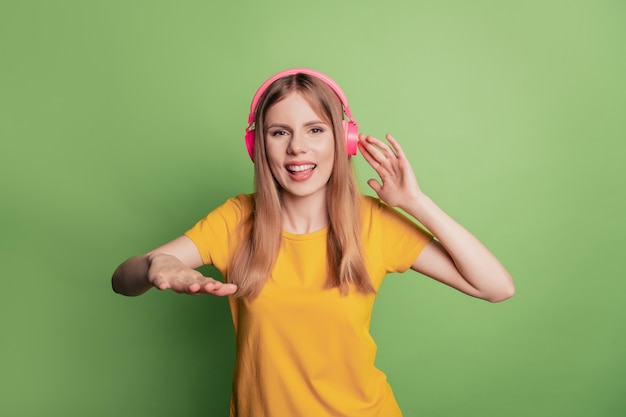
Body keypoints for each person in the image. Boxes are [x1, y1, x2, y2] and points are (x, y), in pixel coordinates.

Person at [112, 68, 514, 417]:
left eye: (315, 129)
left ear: (344, 141)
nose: (297, 147)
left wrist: (416, 203)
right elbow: (122, 280)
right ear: (257, 146)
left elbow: (496, 287)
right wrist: (155, 265)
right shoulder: (236, 219)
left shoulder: (373, 222)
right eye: (279, 132)